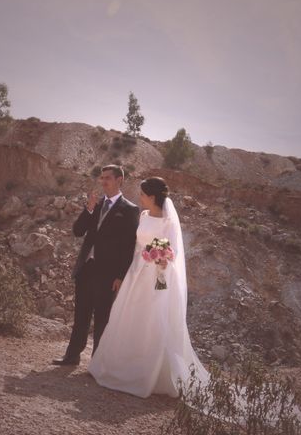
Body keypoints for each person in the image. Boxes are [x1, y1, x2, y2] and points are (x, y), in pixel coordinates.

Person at [88, 176, 208, 397]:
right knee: (128, 315)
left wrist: (156, 256)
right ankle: (118, 366)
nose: (140, 198)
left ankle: (147, 372)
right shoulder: (143, 215)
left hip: (157, 275)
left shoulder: (168, 221)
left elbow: (171, 251)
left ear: (152, 197)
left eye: (143, 194)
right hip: (136, 272)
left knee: (153, 318)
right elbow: (137, 245)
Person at [52, 165, 139, 366]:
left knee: (102, 319)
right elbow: (77, 231)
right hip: (86, 269)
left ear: (119, 180)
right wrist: (89, 209)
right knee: (80, 316)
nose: (103, 181)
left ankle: (98, 363)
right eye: (101, 178)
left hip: (108, 275)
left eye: (107, 178)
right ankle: (71, 356)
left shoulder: (130, 210)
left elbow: (129, 247)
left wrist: (120, 276)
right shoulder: (96, 205)